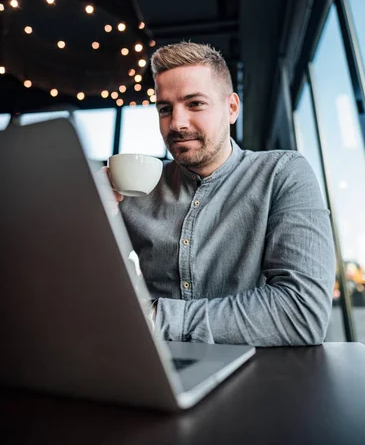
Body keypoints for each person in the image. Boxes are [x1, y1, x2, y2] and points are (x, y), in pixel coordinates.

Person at [109, 42, 335, 346]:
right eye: (165, 109)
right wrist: (87, 216)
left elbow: (301, 314)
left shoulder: (282, 173)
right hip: (145, 371)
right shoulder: (134, 188)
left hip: (258, 377)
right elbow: (78, 289)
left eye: (195, 104)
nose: (176, 123)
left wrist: (152, 319)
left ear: (231, 108)